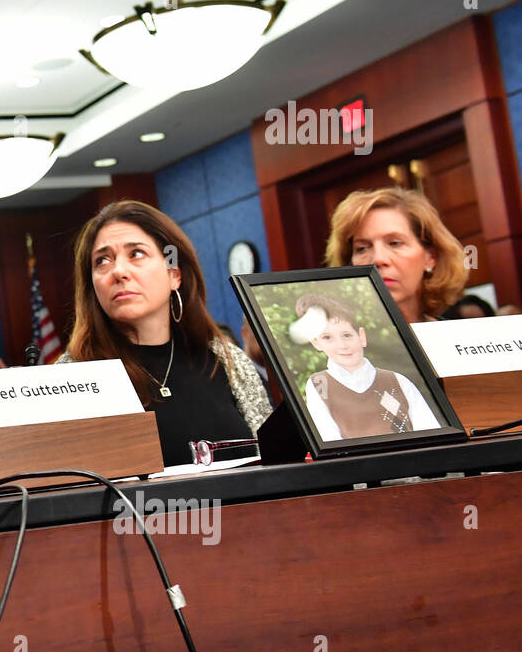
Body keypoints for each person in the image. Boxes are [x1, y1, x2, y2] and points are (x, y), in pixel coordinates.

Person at [58, 200, 271, 467]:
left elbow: (275, 461)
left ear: (174, 274)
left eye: (136, 254)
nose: (119, 271)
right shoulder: (72, 375)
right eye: (102, 260)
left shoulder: (227, 360)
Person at [292, 294, 441, 440]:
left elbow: (431, 433)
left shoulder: (396, 381)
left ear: (361, 336)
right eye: (327, 338)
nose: (342, 346)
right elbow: (329, 440)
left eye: (346, 335)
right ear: (316, 343)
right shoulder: (319, 384)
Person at [325, 187, 467, 325]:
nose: (378, 259)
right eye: (362, 248)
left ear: (430, 258)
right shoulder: (341, 346)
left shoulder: (459, 341)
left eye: (395, 243)